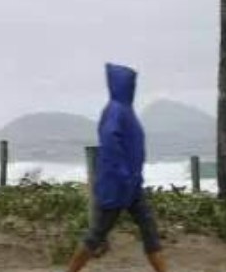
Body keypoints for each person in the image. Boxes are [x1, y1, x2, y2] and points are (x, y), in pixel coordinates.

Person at [65, 63, 168, 272]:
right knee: (96, 235)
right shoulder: (115, 111)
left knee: (149, 229)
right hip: (116, 186)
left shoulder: (125, 110)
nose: (132, 85)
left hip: (132, 186)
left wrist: (133, 178)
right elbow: (110, 144)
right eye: (130, 81)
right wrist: (123, 176)